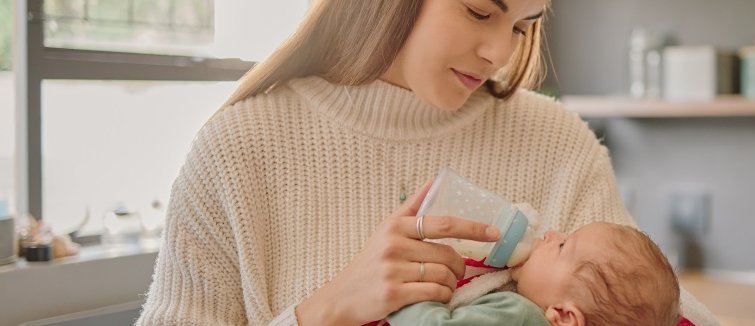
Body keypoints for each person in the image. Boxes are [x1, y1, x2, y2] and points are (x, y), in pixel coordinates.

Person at [136, 0, 717, 325]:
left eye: (522, 26)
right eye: (479, 11)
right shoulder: (237, 149)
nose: (499, 53)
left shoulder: (557, 141)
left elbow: (658, 314)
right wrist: (324, 311)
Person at [387, 221, 680, 326]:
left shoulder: (517, 316)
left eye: (564, 245)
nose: (552, 233)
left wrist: (412, 287)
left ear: (564, 316)